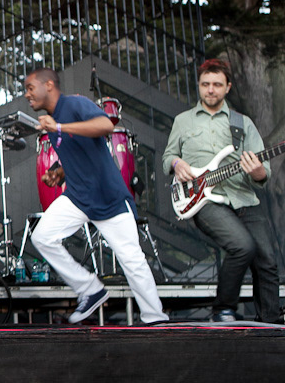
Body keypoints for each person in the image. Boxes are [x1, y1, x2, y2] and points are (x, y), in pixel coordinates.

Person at [24, 68, 168, 324]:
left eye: (30, 88)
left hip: (108, 197)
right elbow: (79, 152)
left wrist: (59, 126)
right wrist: (59, 173)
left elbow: (105, 126)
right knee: (42, 237)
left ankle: (155, 319)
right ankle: (90, 289)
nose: (27, 94)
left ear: (49, 85)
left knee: (132, 259)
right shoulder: (53, 120)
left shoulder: (74, 105)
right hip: (78, 197)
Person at [162, 59, 281, 323]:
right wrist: (177, 163)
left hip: (243, 197)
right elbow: (167, 157)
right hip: (202, 199)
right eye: (205, 84)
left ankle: (271, 324)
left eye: (217, 84)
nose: (210, 89)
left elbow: (263, 174)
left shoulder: (243, 123)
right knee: (242, 246)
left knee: (267, 261)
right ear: (199, 86)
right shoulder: (183, 121)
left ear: (228, 87)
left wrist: (256, 171)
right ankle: (224, 309)